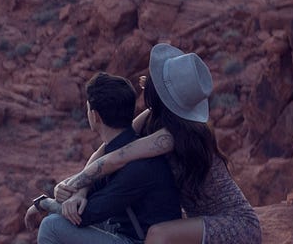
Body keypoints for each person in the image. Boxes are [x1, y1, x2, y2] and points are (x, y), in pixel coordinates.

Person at [54, 44, 262, 244]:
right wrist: (81, 190)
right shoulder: (153, 117)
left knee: (158, 234)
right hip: (200, 221)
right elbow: (106, 150)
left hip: (237, 224)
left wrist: (72, 185)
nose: (145, 81)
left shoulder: (170, 137)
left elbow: (119, 157)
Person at [26, 73, 181, 243]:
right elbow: (92, 181)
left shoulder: (137, 166)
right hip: (128, 232)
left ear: (95, 116)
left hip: (140, 240)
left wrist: (43, 204)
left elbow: (85, 215)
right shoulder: (123, 148)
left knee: (52, 226)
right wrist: (79, 192)